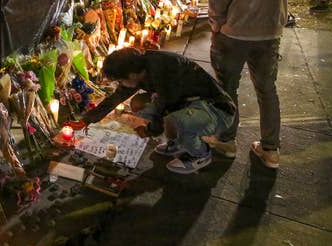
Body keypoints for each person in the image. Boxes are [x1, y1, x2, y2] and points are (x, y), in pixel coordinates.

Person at [207, 0, 292, 169]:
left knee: (227, 87)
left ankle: (226, 140)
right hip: (270, 30)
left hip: (235, 31)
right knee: (267, 89)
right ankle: (270, 150)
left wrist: (216, 22)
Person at [68, 48, 236, 174]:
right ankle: (178, 143)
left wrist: (150, 131)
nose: (120, 83)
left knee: (174, 121)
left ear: (131, 75)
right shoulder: (142, 68)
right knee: (139, 104)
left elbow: (165, 107)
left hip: (217, 111)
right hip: (190, 104)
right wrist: (86, 120)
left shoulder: (165, 71)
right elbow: (116, 98)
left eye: (120, 79)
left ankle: (200, 154)